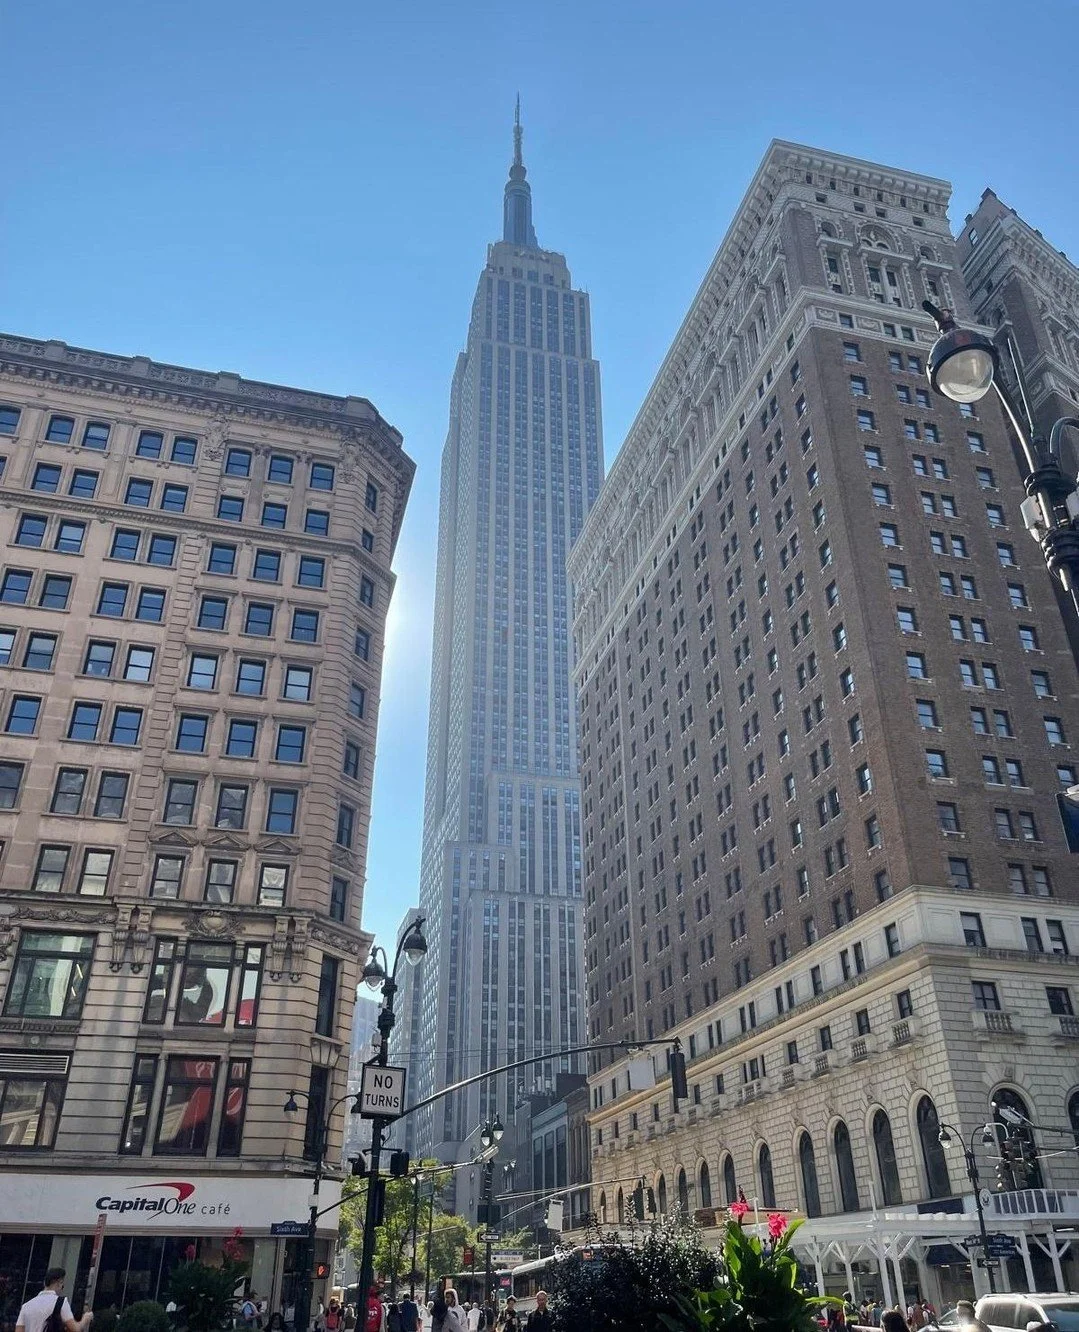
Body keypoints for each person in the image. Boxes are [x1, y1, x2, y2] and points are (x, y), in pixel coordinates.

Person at [15, 1269, 93, 1332]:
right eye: (63, 1286)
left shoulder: (26, 1306)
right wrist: (85, 1319)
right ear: (59, 1283)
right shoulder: (61, 1302)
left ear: (44, 1283)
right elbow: (75, 1329)